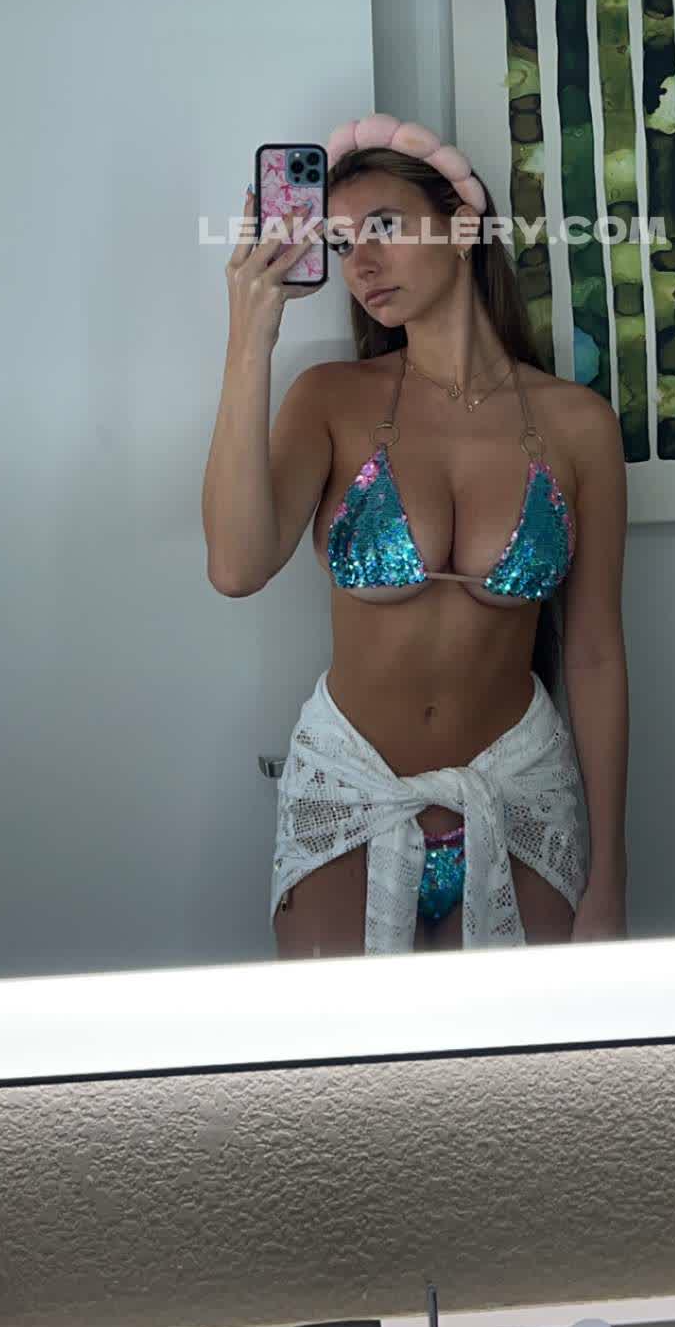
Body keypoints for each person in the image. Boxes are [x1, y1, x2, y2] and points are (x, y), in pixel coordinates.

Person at [202, 112, 629, 956]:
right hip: (351, 788)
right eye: (340, 242)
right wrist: (251, 335)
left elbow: (594, 655)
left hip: (520, 789)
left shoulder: (578, 425)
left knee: (522, 1042)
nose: (360, 263)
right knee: (350, 1043)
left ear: (462, 227)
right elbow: (236, 567)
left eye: (384, 227)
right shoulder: (331, 398)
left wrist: (612, 871)